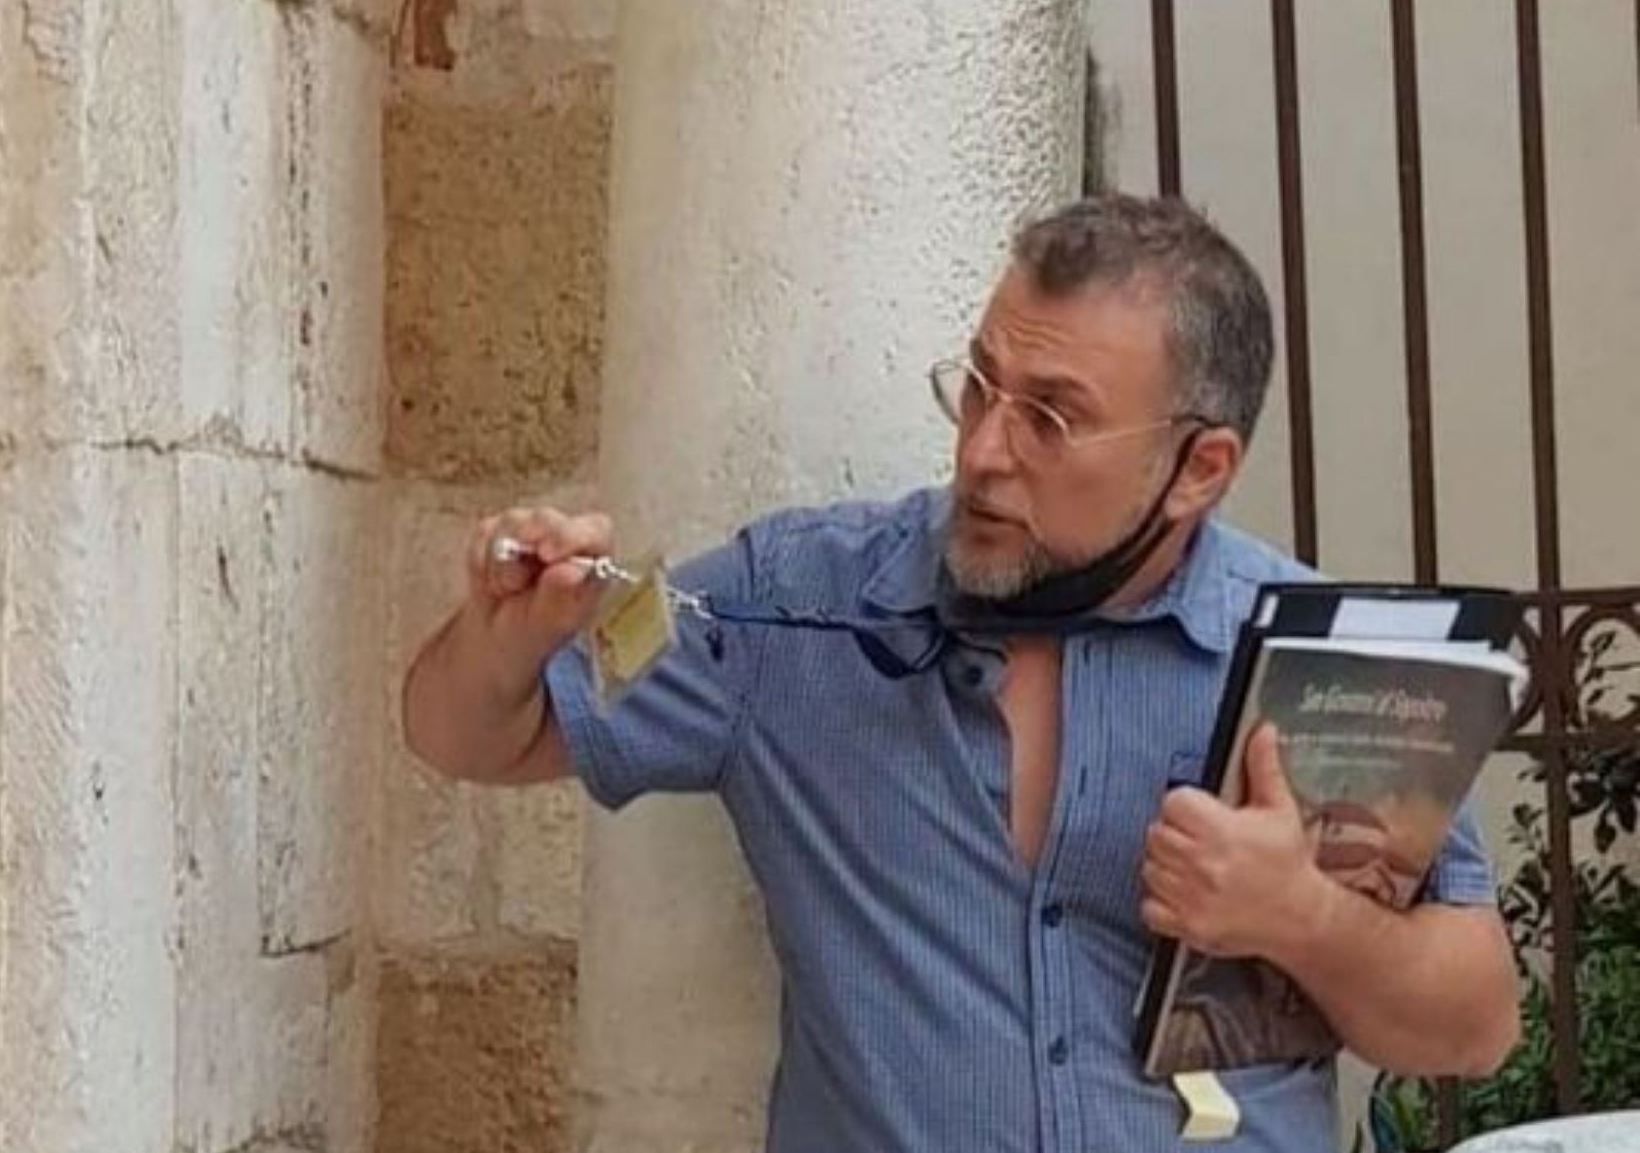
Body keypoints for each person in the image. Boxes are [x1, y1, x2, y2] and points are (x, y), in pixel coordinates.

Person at [399, 194, 1520, 1152]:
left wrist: (1303, 914)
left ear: (1199, 467)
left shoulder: (1326, 667)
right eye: (982, 386)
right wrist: (504, 635)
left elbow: (1474, 1025)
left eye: (1052, 419)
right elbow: (469, 735)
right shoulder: (798, 601)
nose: (984, 450)